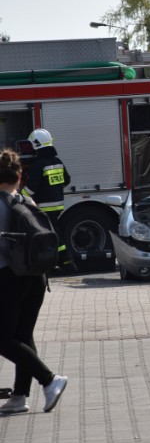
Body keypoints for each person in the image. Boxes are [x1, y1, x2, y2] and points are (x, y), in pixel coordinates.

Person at [0, 148, 69, 414]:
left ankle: (50, 380)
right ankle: (19, 397)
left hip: (9, 278)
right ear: (20, 175)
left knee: (4, 339)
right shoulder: (26, 201)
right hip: (37, 278)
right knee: (23, 335)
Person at [20, 129, 72, 270]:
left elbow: (31, 189)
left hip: (44, 206)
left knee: (48, 234)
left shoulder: (38, 164)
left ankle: (61, 259)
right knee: (55, 230)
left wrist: (19, 195)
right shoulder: (57, 161)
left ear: (36, 145)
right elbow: (66, 180)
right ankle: (64, 259)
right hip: (58, 204)